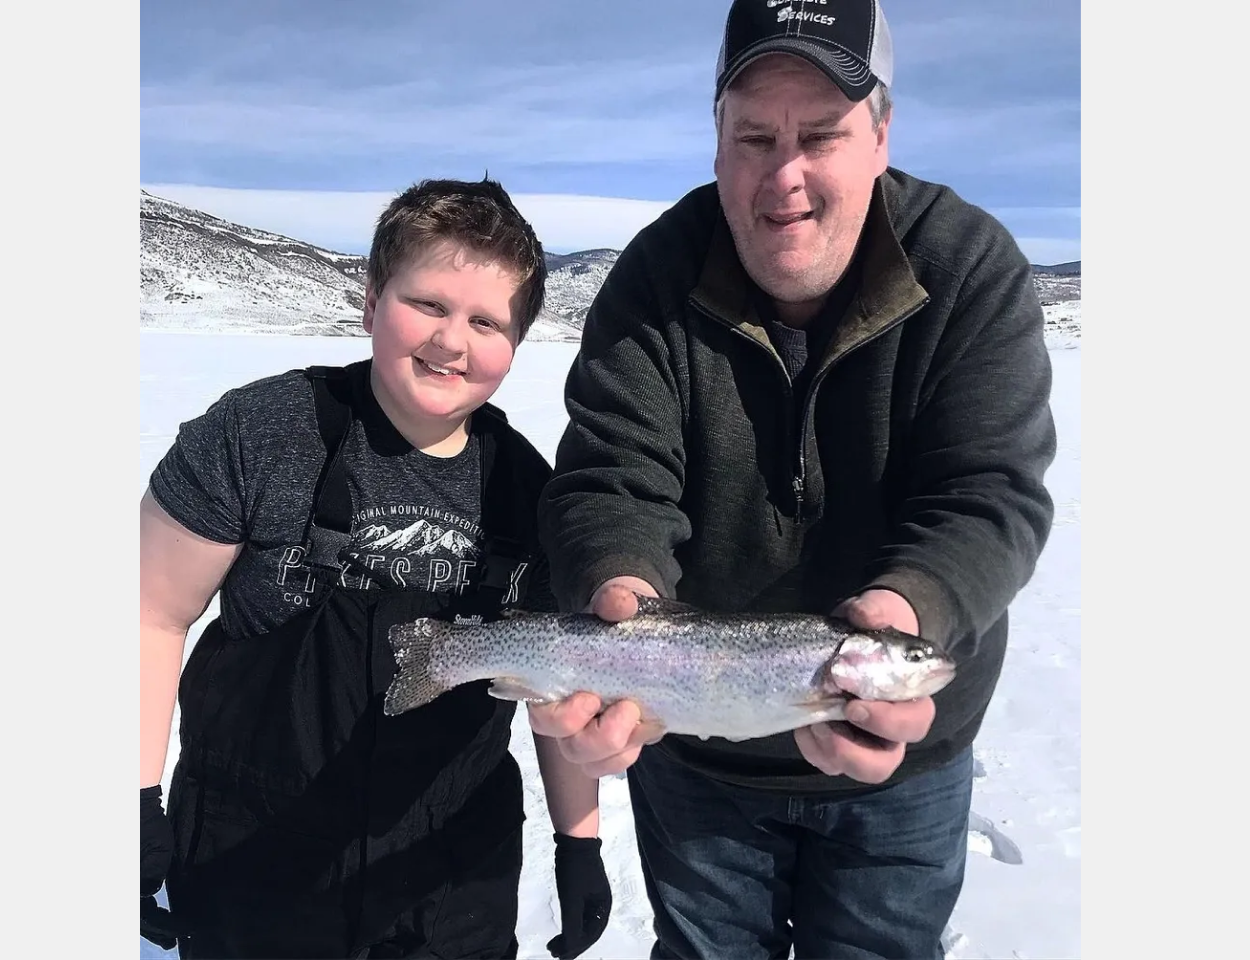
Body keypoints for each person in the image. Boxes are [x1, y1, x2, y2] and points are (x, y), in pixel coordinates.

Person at [529, 1, 1058, 958]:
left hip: (903, 763)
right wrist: (621, 597)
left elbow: (989, 490)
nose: (786, 176)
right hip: (696, 756)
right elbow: (611, 474)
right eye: (754, 136)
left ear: (881, 134)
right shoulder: (655, 275)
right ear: (717, 138)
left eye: (821, 135)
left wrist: (912, 608)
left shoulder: (969, 267)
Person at [140, 177, 612, 960]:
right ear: (370, 303)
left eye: (486, 321)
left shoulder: (531, 496)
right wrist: (129, 797)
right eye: (428, 304)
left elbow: (551, 677)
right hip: (253, 857)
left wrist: (580, 842)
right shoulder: (259, 435)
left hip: (449, 875)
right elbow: (148, 613)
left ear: (516, 345)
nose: (451, 341)